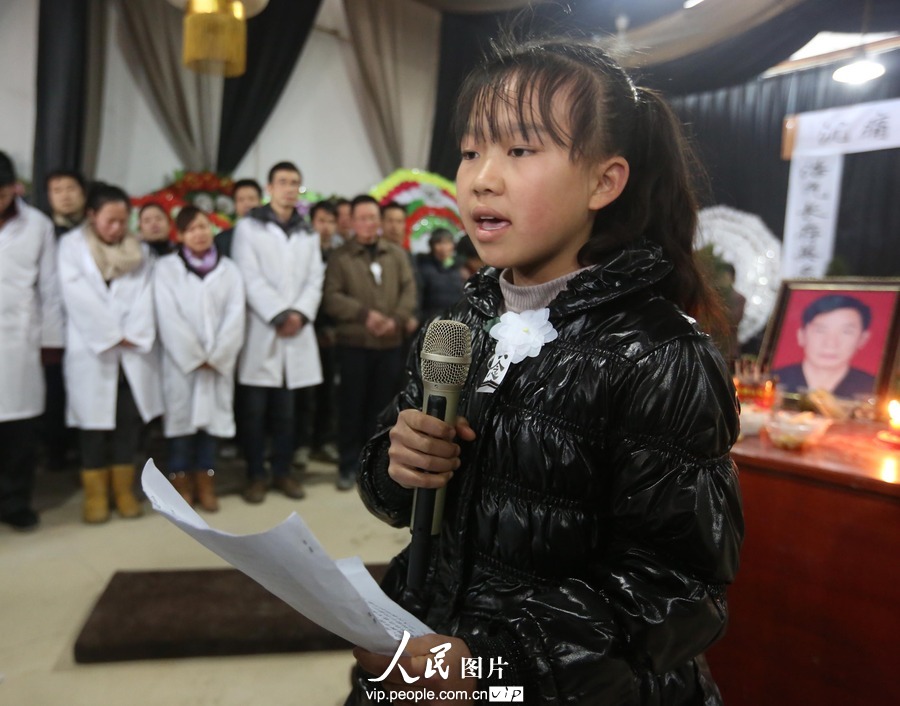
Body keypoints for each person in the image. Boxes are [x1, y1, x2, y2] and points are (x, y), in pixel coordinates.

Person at [347, 36, 743, 705]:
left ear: (604, 181)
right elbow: (395, 500)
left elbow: (677, 593)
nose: (480, 177)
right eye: (472, 149)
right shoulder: (459, 322)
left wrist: (485, 667)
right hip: (429, 644)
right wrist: (396, 463)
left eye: (520, 151)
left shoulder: (660, 355)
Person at [58, 183, 163, 524]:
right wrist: (112, 335)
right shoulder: (71, 248)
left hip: (132, 354)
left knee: (126, 425)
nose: (118, 228)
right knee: (92, 427)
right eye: (110, 221)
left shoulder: (141, 252)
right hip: (93, 351)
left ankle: (124, 491)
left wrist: (132, 334)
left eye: (123, 221)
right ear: (92, 216)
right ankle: (96, 495)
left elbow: (147, 297)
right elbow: (76, 296)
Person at [231, 161, 323, 503]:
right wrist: (279, 314)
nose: (289, 188)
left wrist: (298, 314)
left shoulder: (307, 232)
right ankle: (256, 474)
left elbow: (315, 278)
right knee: (255, 413)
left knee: (287, 412)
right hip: (262, 330)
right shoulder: (249, 227)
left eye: (294, 182)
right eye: (282, 181)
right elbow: (248, 276)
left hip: (296, 332)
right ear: (269, 187)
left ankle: (282, 472)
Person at [154, 206, 245, 512]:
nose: (199, 233)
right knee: (182, 430)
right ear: (180, 235)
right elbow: (168, 317)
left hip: (217, 364)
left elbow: (236, 316)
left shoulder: (229, 269)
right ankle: (181, 486)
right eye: (191, 229)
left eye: (204, 226)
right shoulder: (166, 268)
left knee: (210, 429)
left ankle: (206, 484)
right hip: (183, 366)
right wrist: (194, 356)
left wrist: (218, 355)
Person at [323, 195, 417, 491]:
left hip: (389, 344)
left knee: (383, 409)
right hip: (354, 345)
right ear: (351, 221)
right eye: (362, 218)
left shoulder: (396, 254)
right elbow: (331, 297)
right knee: (351, 407)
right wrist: (364, 315)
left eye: (373, 218)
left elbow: (408, 291)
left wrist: (396, 320)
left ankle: (375, 467)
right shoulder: (341, 257)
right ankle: (348, 465)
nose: (368, 224)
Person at [0, 151, 65, 531]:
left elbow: (51, 288)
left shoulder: (37, 224)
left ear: (14, 188)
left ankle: (15, 502)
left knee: (19, 436)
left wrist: (51, 342)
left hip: (19, 343)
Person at [294, 200, 341, 467]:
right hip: (304, 330)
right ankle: (300, 444)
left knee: (328, 393)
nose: (326, 227)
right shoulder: (301, 252)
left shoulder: (338, 253)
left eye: (331, 221)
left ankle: (322, 441)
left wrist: (331, 328)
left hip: (332, 334)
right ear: (311, 222)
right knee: (304, 394)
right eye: (321, 220)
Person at [773, 294, 876, 398]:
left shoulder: (874, 388)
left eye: (846, 332)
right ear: (801, 335)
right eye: (820, 330)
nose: (830, 343)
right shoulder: (773, 380)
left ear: (862, 339)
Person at [415, 228, 464, 324]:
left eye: (447, 243)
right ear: (432, 246)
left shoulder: (459, 267)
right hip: (429, 320)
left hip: (455, 320)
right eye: (439, 243)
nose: (443, 248)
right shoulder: (423, 266)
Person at [215, 178, 263, 258]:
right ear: (235, 205)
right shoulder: (222, 239)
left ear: (260, 202)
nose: (246, 204)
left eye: (251, 199)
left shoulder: (273, 234)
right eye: (241, 200)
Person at [46, 169, 87, 237]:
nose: (65, 197)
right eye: (57, 191)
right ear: (49, 197)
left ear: (84, 192)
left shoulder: (96, 226)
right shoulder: (43, 226)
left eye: (71, 189)